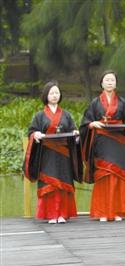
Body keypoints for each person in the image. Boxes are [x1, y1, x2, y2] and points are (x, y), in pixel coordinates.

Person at [80, 70, 125, 222]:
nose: (110, 82)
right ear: (102, 83)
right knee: (104, 175)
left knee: (118, 175)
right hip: (102, 143)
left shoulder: (123, 103)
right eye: (107, 80)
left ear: (116, 83)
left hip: (119, 143)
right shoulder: (95, 103)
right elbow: (85, 122)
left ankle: (118, 211)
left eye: (112, 79)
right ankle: (102, 212)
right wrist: (92, 123)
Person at [23, 81, 82, 224]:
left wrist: (75, 134)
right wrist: (35, 134)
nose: (55, 95)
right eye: (51, 93)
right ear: (46, 95)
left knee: (63, 181)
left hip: (63, 154)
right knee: (50, 184)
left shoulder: (66, 115)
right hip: (47, 154)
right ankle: (50, 215)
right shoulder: (39, 115)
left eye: (57, 93)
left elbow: (72, 130)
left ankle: (62, 214)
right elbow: (31, 131)